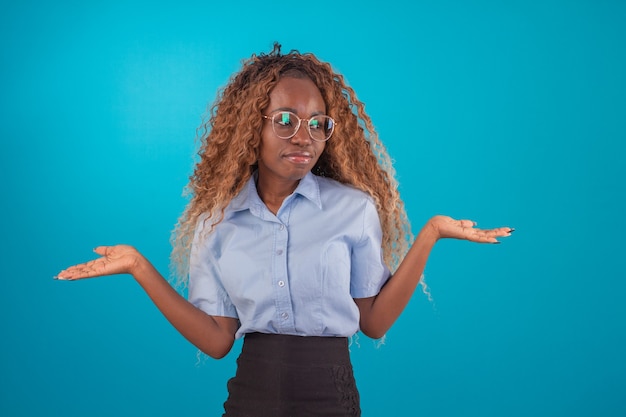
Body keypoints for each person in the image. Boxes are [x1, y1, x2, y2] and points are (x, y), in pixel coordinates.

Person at [56, 43, 513, 417]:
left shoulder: (353, 209)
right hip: (250, 397)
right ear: (250, 128)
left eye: (318, 124)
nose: (305, 136)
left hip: (330, 396)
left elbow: (372, 322)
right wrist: (139, 267)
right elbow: (217, 341)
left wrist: (430, 233)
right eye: (286, 120)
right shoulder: (217, 223)